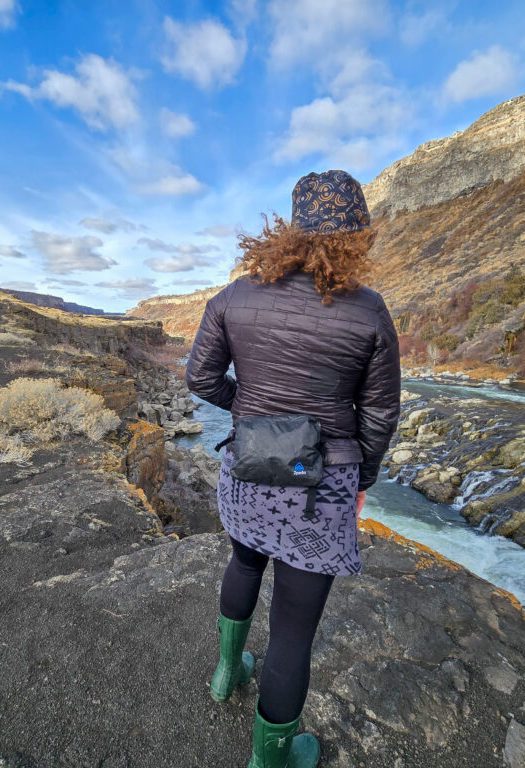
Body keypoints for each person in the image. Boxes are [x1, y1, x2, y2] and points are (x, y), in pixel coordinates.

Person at [184, 169, 402, 768]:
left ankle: (227, 671)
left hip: (246, 470)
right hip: (322, 486)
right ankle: (271, 759)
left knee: (244, 560)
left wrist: (254, 415)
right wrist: (364, 479)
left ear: (290, 228)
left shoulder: (234, 296)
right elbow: (380, 414)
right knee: (293, 632)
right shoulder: (369, 311)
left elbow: (201, 378)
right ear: (356, 236)